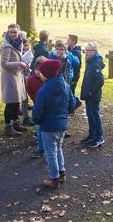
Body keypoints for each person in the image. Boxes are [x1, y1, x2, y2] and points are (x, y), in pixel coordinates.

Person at [32, 59, 74, 189]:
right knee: (58, 149)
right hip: (62, 125)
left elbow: (37, 111)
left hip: (48, 126)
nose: (40, 74)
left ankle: (54, 178)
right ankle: (62, 173)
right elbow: (72, 104)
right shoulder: (66, 86)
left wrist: (37, 121)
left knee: (50, 152)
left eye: (42, 72)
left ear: (48, 74)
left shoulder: (43, 91)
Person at [0, 23, 29, 137]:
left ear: (18, 32)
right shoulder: (6, 46)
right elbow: (4, 64)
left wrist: (24, 62)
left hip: (17, 74)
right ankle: (8, 127)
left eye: (15, 32)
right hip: (10, 77)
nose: (12, 34)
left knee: (17, 101)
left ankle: (15, 122)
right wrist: (19, 63)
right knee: (11, 102)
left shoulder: (19, 41)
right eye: (10, 32)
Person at [79, 42, 105, 148]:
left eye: (89, 50)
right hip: (88, 95)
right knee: (90, 115)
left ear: (95, 51)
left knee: (95, 115)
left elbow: (100, 80)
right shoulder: (90, 62)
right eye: (86, 50)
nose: (87, 52)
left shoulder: (95, 64)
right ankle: (92, 135)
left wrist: (91, 91)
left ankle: (99, 138)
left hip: (93, 95)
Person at [26, 56, 47, 158]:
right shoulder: (30, 80)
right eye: (36, 70)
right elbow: (30, 92)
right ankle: (41, 148)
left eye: (40, 70)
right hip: (37, 106)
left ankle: (48, 148)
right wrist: (37, 101)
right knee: (38, 129)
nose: (38, 72)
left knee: (47, 130)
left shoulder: (47, 80)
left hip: (48, 108)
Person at [66, 34, 83, 113]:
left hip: (73, 76)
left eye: (69, 40)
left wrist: (75, 79)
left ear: (73, 42)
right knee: (69, 91)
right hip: (68, 74)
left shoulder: (76, 53)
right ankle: (75, 103)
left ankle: (73, 107)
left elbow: (77, 67)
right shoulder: (68, 50)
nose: (67, 41)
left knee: (72, 91)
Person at [20, 33, 34, 126]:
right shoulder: (19, 53)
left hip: (28, 75)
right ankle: (25, 117)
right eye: (24, 46)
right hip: (21, 77)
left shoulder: (29, 53)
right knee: (24, 98)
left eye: (27, 46)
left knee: (28, 97)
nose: (26, 48)